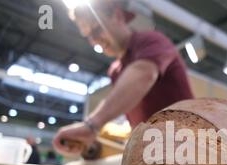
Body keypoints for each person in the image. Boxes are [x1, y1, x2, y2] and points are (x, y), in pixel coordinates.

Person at [53, 0, 194, 156]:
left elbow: (143, 73)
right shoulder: (115, 71)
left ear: (117, 16)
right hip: (155, 151)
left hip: (186, 147)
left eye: (97, 30)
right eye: (88, 36)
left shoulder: (151, 40)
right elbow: (136, 121)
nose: (94, 41)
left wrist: (91, 125)